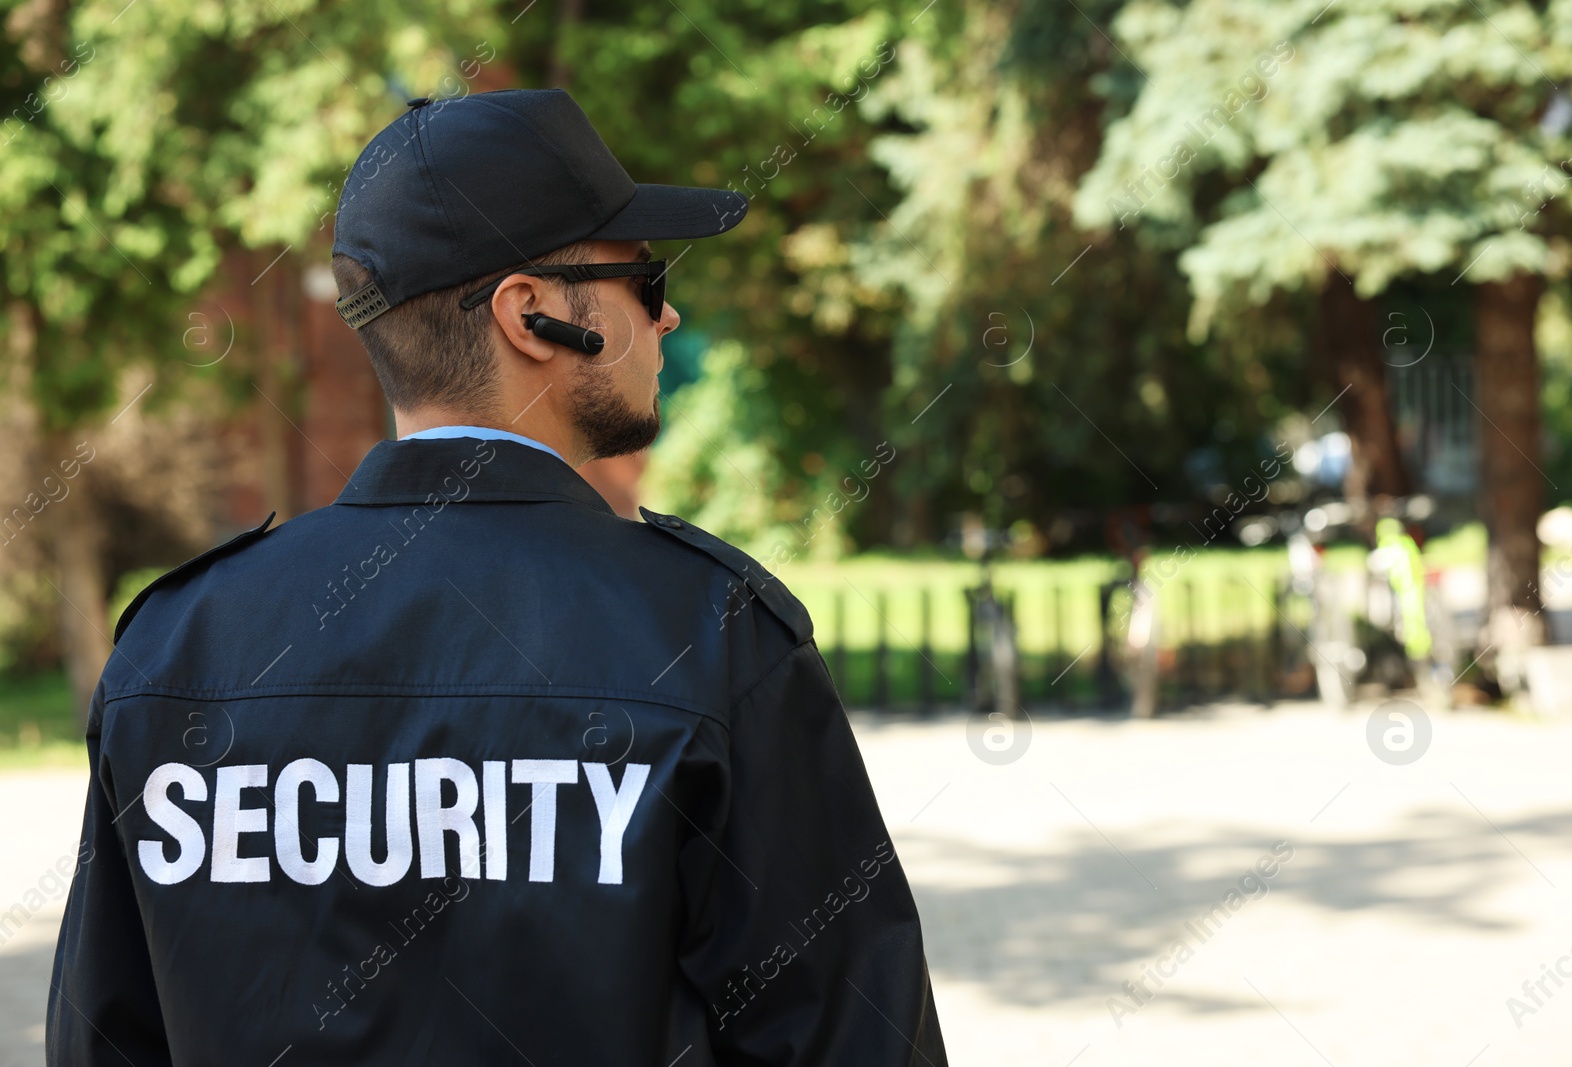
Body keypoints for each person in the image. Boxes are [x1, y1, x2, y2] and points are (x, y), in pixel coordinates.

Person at [48, 89, 946, 1066]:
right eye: (641, 279)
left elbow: (103, 1040)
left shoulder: (176, 645)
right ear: (533, 314)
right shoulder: (712, 633)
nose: (668, 311)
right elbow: (853, 1040)